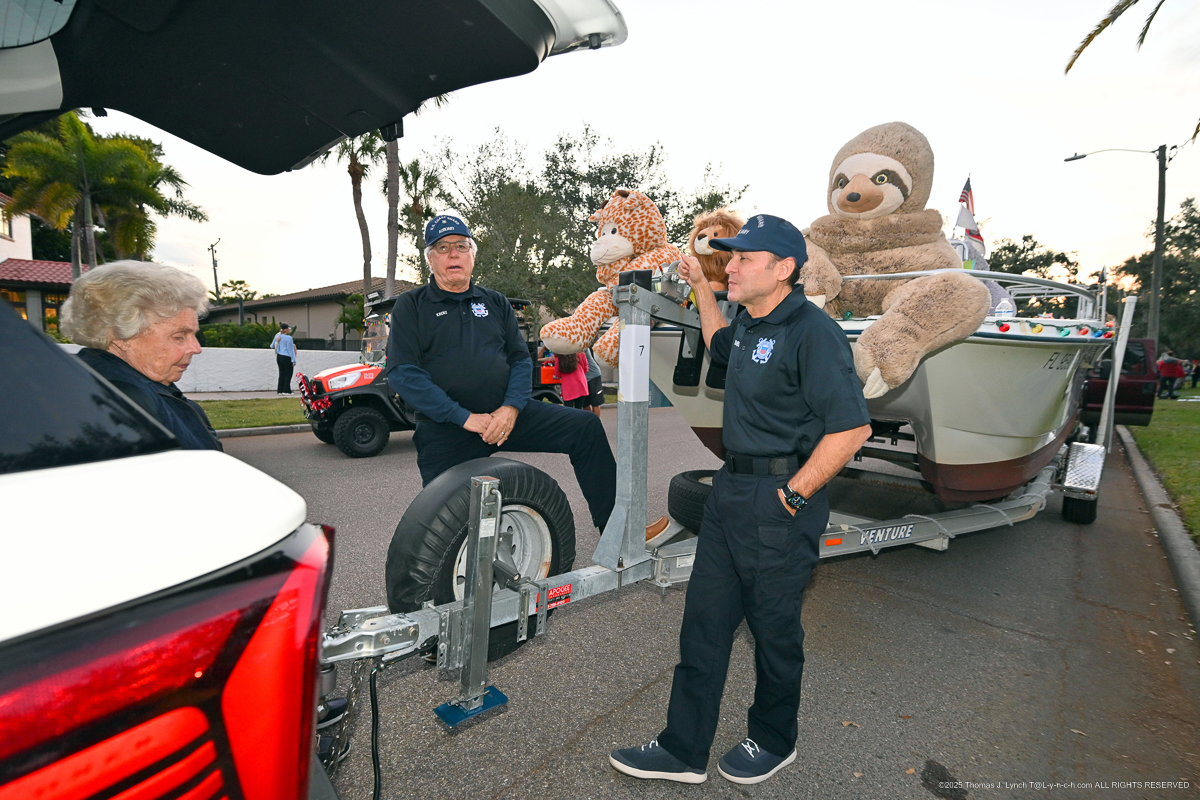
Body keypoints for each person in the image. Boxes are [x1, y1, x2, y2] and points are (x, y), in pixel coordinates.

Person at [609, 215, 872, 785]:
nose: (730, 265)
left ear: (783, 269)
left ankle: (775, 739)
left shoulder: (813, 331)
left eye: (742, 260)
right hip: (729, 491)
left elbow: (851, 430)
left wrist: (793, 497)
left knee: (774, 630)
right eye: (729, 259)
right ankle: (682, 750)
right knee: (703, 624)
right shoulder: (751, 323)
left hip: (779, 500)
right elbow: (716, 342)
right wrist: (704, 289)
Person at [386, 214, 618, 531]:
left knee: (586, 427)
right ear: (430, 258)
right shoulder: (412, 306)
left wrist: (510, 408)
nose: (453, 254)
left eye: (461, 246)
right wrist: (465, 418)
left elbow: (520, 359)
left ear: (472, 255)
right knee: (445, 527)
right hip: (448, 428)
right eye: (442, 248)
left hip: (507, 416)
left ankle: (616, 529)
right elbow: (403, 373)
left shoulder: (494, 302)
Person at [60, 261, 223, 451]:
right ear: (120, 336)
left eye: (193, 335)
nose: (196, 348)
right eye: (179, 336)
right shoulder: (123, 401)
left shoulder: (144, 385)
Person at [272, 323, 297, 395]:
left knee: (282, 373)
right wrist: (293, 360)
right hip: (287, 357)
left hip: (279, 356)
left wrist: (277, 341)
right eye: (289, 328)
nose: (290, 330)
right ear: (286, 329)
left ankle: (280, 390)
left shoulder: (278, 336)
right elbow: (290, 350)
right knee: (288, 374)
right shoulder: (289, 338)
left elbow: (272, 345)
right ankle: (286, 390)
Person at [584, 345, 605, 415]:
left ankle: (595, 423)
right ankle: (589, 422)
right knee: (585, 403)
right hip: (583, 378)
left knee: (595, 403)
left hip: (593, 376)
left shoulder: (581, 345)